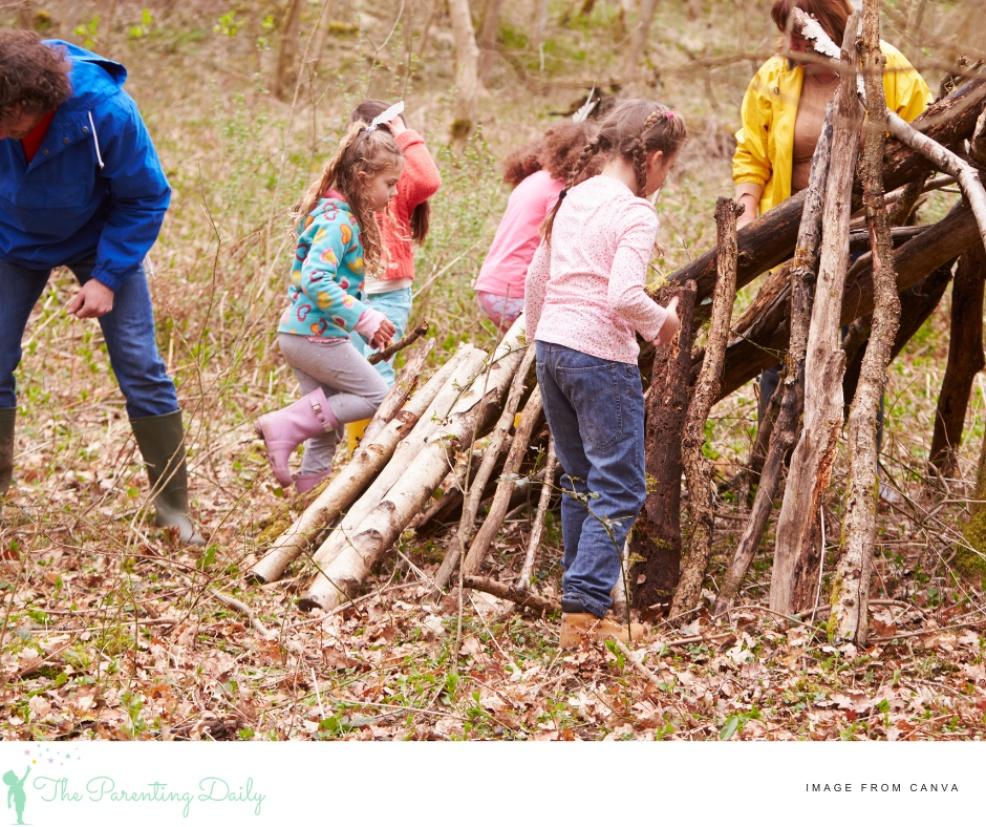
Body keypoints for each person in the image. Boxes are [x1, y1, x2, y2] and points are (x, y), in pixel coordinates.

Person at [0, 31, 203, 544]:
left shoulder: (106, 113)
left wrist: (107, 276)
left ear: (29, 103)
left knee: (140, 364)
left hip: (101, 239)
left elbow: (146, 197)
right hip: (11, 238)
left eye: (4, 120)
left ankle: (173, 511)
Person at [525, 99, 686, 649]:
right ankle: (585, 611)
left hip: (553, 348)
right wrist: (661, 323)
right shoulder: (635, 214)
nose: (666, 179)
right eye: (668, 167)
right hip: (599, 358)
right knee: (619, 485)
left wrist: (540, 339)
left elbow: (535, 277)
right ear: (655, 158)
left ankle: (581, 604)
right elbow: (622, 295)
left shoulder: (574, 196)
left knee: (579, 482)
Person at [732, 0, 931, 421]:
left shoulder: (886, 67)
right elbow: (751, 152)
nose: (792, 42)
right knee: (782, 345)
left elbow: (925, 140)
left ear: (832, 23)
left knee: (852, 352)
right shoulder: (774, 76)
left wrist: (894, 205)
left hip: (864, 238)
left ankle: (860, 470)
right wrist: (748, 210)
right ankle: (772, 465)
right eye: (787, 31)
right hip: (791, 238)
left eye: (802, 31)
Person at [255, 119, 400, 494]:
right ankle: (284, 424)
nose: (394, 193)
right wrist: (364, 317)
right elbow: (316, 279)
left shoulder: (335, 214)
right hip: (314, 337)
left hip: (302, 334)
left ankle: (308, 505)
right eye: (390, 184)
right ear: (364, 177)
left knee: (324, 425)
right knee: (375, 395)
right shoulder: (338, 221)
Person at [343, 100, 440, 453]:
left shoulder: (396, 183)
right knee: (358, 373)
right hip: (353, 293)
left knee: (377, 372)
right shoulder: (354, 180)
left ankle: (373, 451)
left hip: (387, 294)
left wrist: (402, 131)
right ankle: (361, 451)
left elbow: (429, 179)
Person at [474, 120, 599, 331]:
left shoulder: (536, 179)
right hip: (516, 292)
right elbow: (564, 250)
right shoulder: (561, 193)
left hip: (491, 285)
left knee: (520, 352)